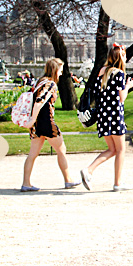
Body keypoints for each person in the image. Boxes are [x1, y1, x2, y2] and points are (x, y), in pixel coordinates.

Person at [80, 43, 133, 192]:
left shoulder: (102, 71)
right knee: (121, 150)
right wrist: (129, 86)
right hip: (115, 115)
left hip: (103, 115)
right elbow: (121, 98)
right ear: (121, 57)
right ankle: (117, 183)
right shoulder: (119, 74)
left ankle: (89, 170)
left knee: (112, 149)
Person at [21, 58, 80, 192]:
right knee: (61, 150)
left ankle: (26, 183)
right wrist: (32, 119)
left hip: (36, 123)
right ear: (55, 70)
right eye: (60, 70)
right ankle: (68, 180)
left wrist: (32, 121)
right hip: (45, 122)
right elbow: (39, 101)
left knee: (32, 154)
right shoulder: (51, 84)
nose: (61, 73)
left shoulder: (39, 81)